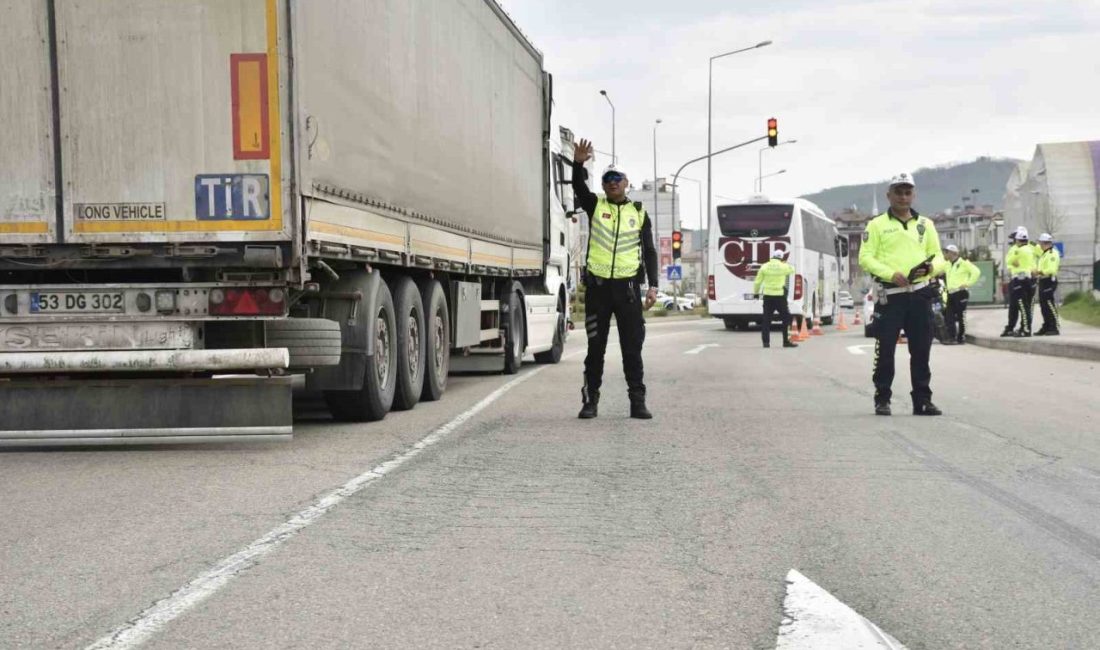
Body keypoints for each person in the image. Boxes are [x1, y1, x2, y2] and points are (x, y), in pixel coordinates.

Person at [571, 139, 659, 420]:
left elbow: (649, 251)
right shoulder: (595, 205)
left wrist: (653, 286)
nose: (612, 183)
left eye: (616, 178)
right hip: (598, 290)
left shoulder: (639, 213)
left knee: (632, 350)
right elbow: (578, 187)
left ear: (626, 182)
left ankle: (637, 401)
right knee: (595, 349)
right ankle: (590, 402)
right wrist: (578, 164)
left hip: (628, 291)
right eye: (607, 179)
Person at [858, 172, 946, 416]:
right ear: (889, 195)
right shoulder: (876, 225)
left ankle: (922, 400)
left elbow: (939, 257)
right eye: (898, 192)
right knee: (885, 350)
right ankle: (882, 398)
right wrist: (890, 273)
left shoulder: (926, 224)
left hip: (919, 294)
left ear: (913, 195)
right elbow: (865, 258)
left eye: (908, 192)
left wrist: (931, 268)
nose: (903, 197)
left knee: (921, 351)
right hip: (890, 296)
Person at [753, 250, 798, 349]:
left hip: (768, 296)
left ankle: (766, 343)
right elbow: (792, 269)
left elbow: (757, 282)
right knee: (786, 319)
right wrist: (784, 263)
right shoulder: (783, 266)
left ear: (772, 256)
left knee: (766, 320)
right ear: (781, 258)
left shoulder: (764, 266)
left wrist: (756, 293)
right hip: (780, 297)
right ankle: (786, 342)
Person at [942, 244, 981, 345]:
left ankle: (961, 337)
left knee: (961, 316)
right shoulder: (947, 265)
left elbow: (976, 272)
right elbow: (939, 271)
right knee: (949, 316)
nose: (945, 254)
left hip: (961, 293)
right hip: (951, 293)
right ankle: (952, 337)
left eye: (946, 252)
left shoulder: (964, 263)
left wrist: (968, 283)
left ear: (953, 253)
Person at [1003, 227, 1038, 337]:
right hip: (1027, 278)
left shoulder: (1018, 250)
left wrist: (1013, 262)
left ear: (1018, 240)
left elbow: (1009, 260)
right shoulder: (1029, 248)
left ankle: (1026, 329)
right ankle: (1024, 328)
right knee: (1024, 306)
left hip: (1020, 279)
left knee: (1023, 306)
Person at [1034, 232, 1061, 335]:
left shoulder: (1052, 253)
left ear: (1045, 243)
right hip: (1043, 280)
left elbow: (1051, 269)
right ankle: (1047, 325)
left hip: (1049, 280)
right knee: (1043, 305)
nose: (1040, 245)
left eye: (1041, 243)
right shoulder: (1044, 254)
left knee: (1049, 304)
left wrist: (1039, 272)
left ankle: (1054, 327)